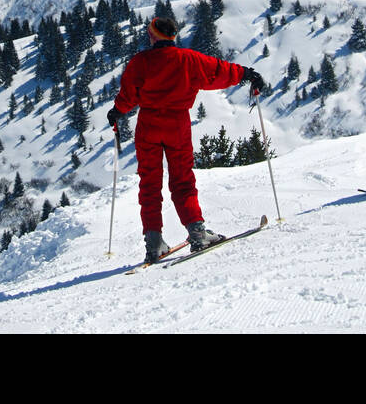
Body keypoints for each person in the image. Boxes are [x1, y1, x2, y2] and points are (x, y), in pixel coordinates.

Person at [107, 15, 266, 263]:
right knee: (182, 181)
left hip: (148, 126)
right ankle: (197, 233)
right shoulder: (188, 60)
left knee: (149, 184)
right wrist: (247, 74)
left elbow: (128, 95)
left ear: (152, 36)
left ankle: (153, 242)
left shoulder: (140, 63)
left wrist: (116, 111)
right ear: (173, 36)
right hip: (177, 125)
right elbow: (219, 71)